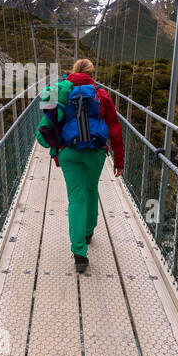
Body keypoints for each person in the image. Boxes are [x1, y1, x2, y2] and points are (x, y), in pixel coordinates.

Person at [36, 58, 124, 273]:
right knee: (91, 189)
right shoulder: (101, 95)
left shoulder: (59, 91)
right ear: (92, 74)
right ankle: (88, 231)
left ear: (72, 72)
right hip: (95, 153)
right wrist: (119, 161)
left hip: (69, 152)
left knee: (76, 197)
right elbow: (115, 128)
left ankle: (79, 254)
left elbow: (48, 118)